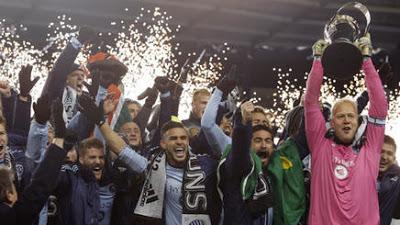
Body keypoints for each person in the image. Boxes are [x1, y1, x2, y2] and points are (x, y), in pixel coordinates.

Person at [304, 35, 388, 225]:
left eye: (351, 116)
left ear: (358, 122)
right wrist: (317, 60)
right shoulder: (319, 146)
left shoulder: (371, 149)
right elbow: (310, 102)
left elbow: (380, 107)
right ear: (332, 123)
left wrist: (367, 60)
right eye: (341, 116)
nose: (346, 120)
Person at [0, 98, 73, 225]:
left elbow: (38, 184)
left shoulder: (17, 158)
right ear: (9, 194)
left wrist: (41, 126)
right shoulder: (8, 215)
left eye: (1, 133)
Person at [133, 120, 221, 225]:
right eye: (173, 138)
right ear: (163, 144)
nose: (179, 142)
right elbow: (124, 152)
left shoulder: (207, 166)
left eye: (183, 138)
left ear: (188, 142)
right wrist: (106, 125)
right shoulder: (153, 167)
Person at [218, 101, 274, 225]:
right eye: (258, 140)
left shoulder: (274, 169)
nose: (264, 145)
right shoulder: (239, 163)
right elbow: (240, 151)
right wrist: (243, 123)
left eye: (268, 141)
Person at [378, 135, 400, 225]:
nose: (384, 157)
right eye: (381, 151)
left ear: (394, 159)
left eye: (389, 153)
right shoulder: (360, 173)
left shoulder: (398, 178)